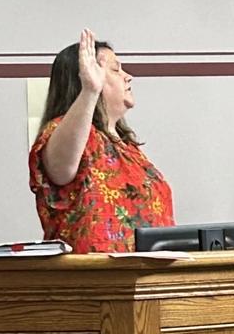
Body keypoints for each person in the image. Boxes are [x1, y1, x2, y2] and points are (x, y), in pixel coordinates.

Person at [29, 29, 175, 253]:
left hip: (146, 280)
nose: (128, 76)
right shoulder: (61, 132)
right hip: (94, 281)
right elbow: (60, 169)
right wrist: (90, 91)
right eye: (116, 69)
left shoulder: (127, 146)